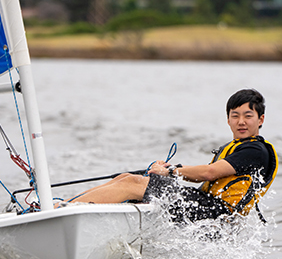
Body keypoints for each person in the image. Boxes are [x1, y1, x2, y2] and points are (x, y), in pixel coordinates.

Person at [55, 89, 278, 223]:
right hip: (205, 206)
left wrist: (170, 171)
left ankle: (61, 212)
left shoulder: (255, 150)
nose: (241, 121)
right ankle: (67, 205)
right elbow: (201, 175)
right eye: (235, 115)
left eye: (248, 116)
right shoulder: (236, 146)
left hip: (214, 215)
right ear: (228, 119)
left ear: (261, 120)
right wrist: (169, 169)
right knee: (126, 178)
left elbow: (210, 173)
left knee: (133, 182)